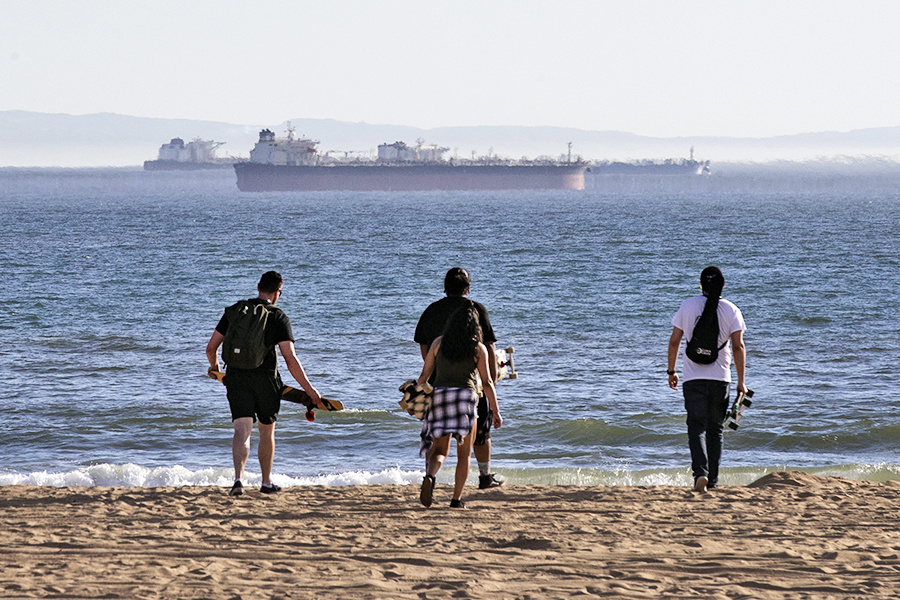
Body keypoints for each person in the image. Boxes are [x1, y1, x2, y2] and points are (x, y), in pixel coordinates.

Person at [206, 271, 321, 496]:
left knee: (242, 429)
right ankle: (266, 483)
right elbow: (290, 359)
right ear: (278, 292)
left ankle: (238, 481)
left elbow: (211, 348)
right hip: (266, 380)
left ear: (258, 286)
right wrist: (310, 390)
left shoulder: (235, 311)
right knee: (266, 430)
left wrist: (216, 369)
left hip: (236, 378)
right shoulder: (277, 316)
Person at [414, 267, 504, 489]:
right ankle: (484, 477)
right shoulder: (475, 309)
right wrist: (490, 379)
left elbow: (423, 345)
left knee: (437, 441)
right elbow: (490, 347)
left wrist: (432, 368)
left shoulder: (431, 310)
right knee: (480, 433)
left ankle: (430, 476)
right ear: (468, 287)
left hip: (437, 384)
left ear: (445, 287)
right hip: (471, 385)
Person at [667, 266, 747, 493]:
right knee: (716, 429)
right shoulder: (732, 309)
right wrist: (741, 382)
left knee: (696, 427)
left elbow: (674, 341)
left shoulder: (687, 305)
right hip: (721, 378)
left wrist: (671, 371)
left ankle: (699, 473)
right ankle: (712, 481)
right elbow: (738, 346)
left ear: (700, 285)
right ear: (723, 285)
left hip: (693, 378)